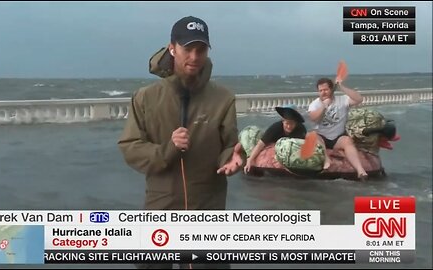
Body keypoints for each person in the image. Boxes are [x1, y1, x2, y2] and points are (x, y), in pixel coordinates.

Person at [118, 16, 243, 268]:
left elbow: (229, 145)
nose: (195, 56)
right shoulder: (145, 98)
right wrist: (168, 149)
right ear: (172, 48)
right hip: (160, 210)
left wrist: (233, 158)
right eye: (188, 49)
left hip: (208, 212)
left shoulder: (224, 98)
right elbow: (130, 147)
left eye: (201, 50)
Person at [308, 77, 368, 180]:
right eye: (320, 91)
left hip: (337, 138)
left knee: (347, 140)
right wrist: (323, 106)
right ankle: (327, 161)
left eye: (326, 90)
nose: (323, 93)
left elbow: (359, 99)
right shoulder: (315, 104)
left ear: (331, 89)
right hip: (322, 137)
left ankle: (360, 171)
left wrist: (342, 87)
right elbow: (313, 118)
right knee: (311, 135)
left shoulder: (342, 100)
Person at [244, 106, 308, 173]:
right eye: (287, 123)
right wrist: (250, 159)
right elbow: (261, 144)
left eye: (292, 124)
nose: (289, 126)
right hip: (273, 149)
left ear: (296, 123)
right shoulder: (275, 128)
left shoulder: (301, 130)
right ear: (283, 121)